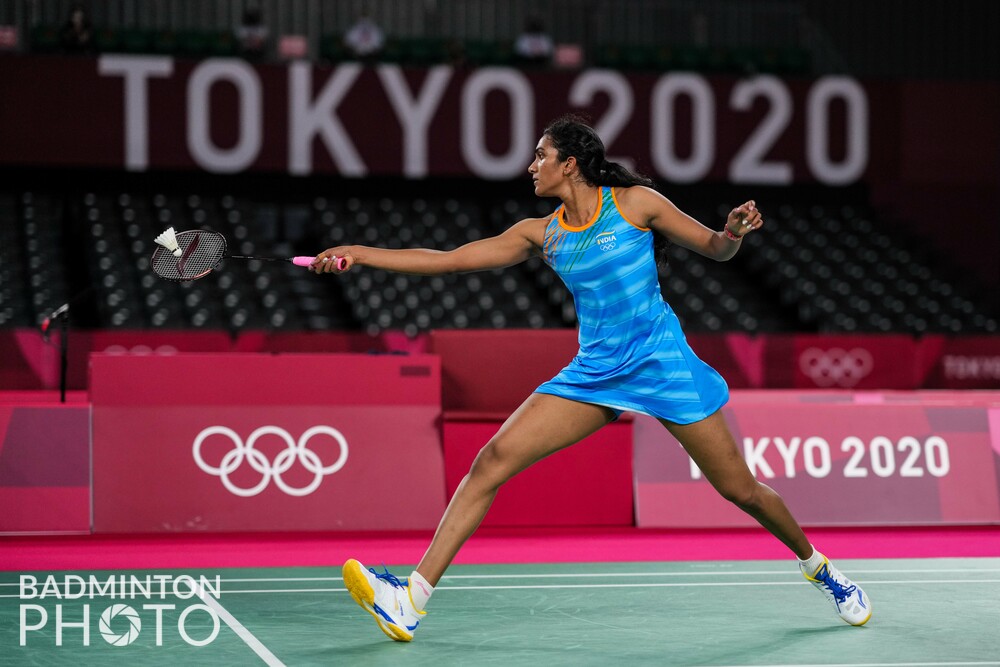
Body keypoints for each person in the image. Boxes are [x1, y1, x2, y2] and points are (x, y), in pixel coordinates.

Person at [311, 115, 872, 642]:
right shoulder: (541, 234)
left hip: (662, 366)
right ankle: (410, 600)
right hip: (596, 373)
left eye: (541, 155)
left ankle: (821, 569)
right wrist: (360, 254)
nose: (531, 166)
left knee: (740, 490)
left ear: (570, 164)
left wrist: (732, 232)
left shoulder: (635, 205)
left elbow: (714, 248)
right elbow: (451, 260)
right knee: (491, 461)